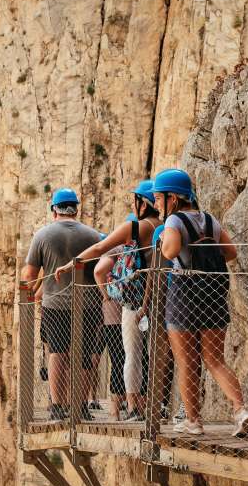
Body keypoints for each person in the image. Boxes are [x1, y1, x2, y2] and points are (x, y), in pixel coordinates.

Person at [153, 168, 248, 437]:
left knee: (186, 361)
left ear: (172, 198)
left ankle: (194, 421)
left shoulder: (173, 222)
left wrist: (164, 238)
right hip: (212, 293)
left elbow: (171, 251)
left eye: (159, 198)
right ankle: (240, 409)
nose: (156, 204)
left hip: (184, 295)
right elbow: (230, 252)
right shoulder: (210, 220)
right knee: (215, 359)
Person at [54, 181, 162, 421]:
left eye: (135, 200)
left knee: (131, 355)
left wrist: (71, 264)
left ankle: (134, 407)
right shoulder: (165, 226)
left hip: (136, 302)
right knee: (157, 356)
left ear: (142, 203)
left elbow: (100, 248)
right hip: (164, 300)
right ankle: (156, 407)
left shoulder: (135, 227)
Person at [20, 188, 104, 422]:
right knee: (86, 355)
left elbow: (30, 275)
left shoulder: (43, 235)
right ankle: (81, 407)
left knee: (57, 353)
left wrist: (34, 292)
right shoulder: (92, 235)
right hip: (89, 304)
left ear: (54, 209)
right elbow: (99, 269)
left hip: (54, 304)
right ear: (76, 208)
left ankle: (57, 406)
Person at [94, 254, 125, 419]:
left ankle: (116, 410)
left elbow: (99, 272)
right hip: (123, 313)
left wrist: (105, 295)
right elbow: (99, 272)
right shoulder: (120, 251)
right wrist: (105, 294)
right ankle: (119, 408)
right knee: (124, 360)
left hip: (113, 315)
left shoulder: (115, 251)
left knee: (118, 361)